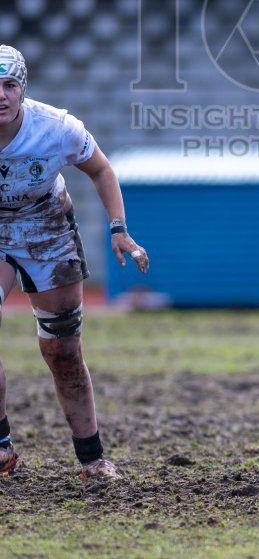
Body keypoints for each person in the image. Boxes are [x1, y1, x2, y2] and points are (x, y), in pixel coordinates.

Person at [0, 45, 149, 481]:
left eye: (9, 85)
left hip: (46, 227)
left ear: (22, 89)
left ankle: (92, 458)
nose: (0, 95)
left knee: (62, 350)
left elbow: (102, 170)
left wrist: (119, 229)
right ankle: (2, 448)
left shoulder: (57, 128)